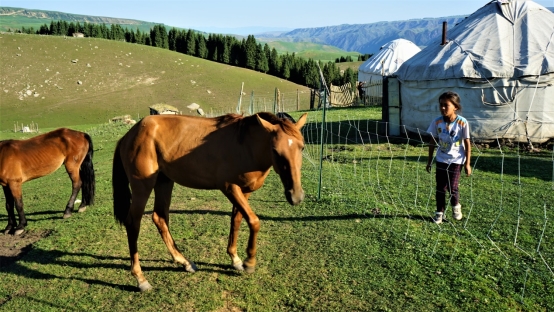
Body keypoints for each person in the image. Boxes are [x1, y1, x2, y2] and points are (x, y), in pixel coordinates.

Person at [426, 91, 472, 224]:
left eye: (446, 105)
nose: (443, 108)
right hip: (441, 159)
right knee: (440, 188)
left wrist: (467, 164)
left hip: (456, 160)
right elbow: (432, 141)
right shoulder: (437, 122)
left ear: (455, 107)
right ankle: (439, 213)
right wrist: (429, 161)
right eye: (441, 105)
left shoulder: (462, 123)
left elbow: (468, 143)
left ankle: (456, 207)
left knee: (453, 186)